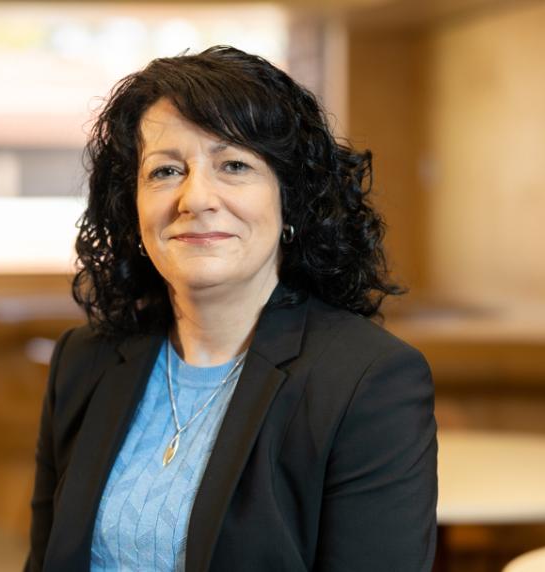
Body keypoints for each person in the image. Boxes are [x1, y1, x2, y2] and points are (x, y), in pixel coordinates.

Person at [26, 46, 437, 572]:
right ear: (132, 206)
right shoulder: (83, 361)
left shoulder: (369, 381)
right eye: (165, 171)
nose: (196, 199)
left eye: (235, 165)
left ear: (290, 198)